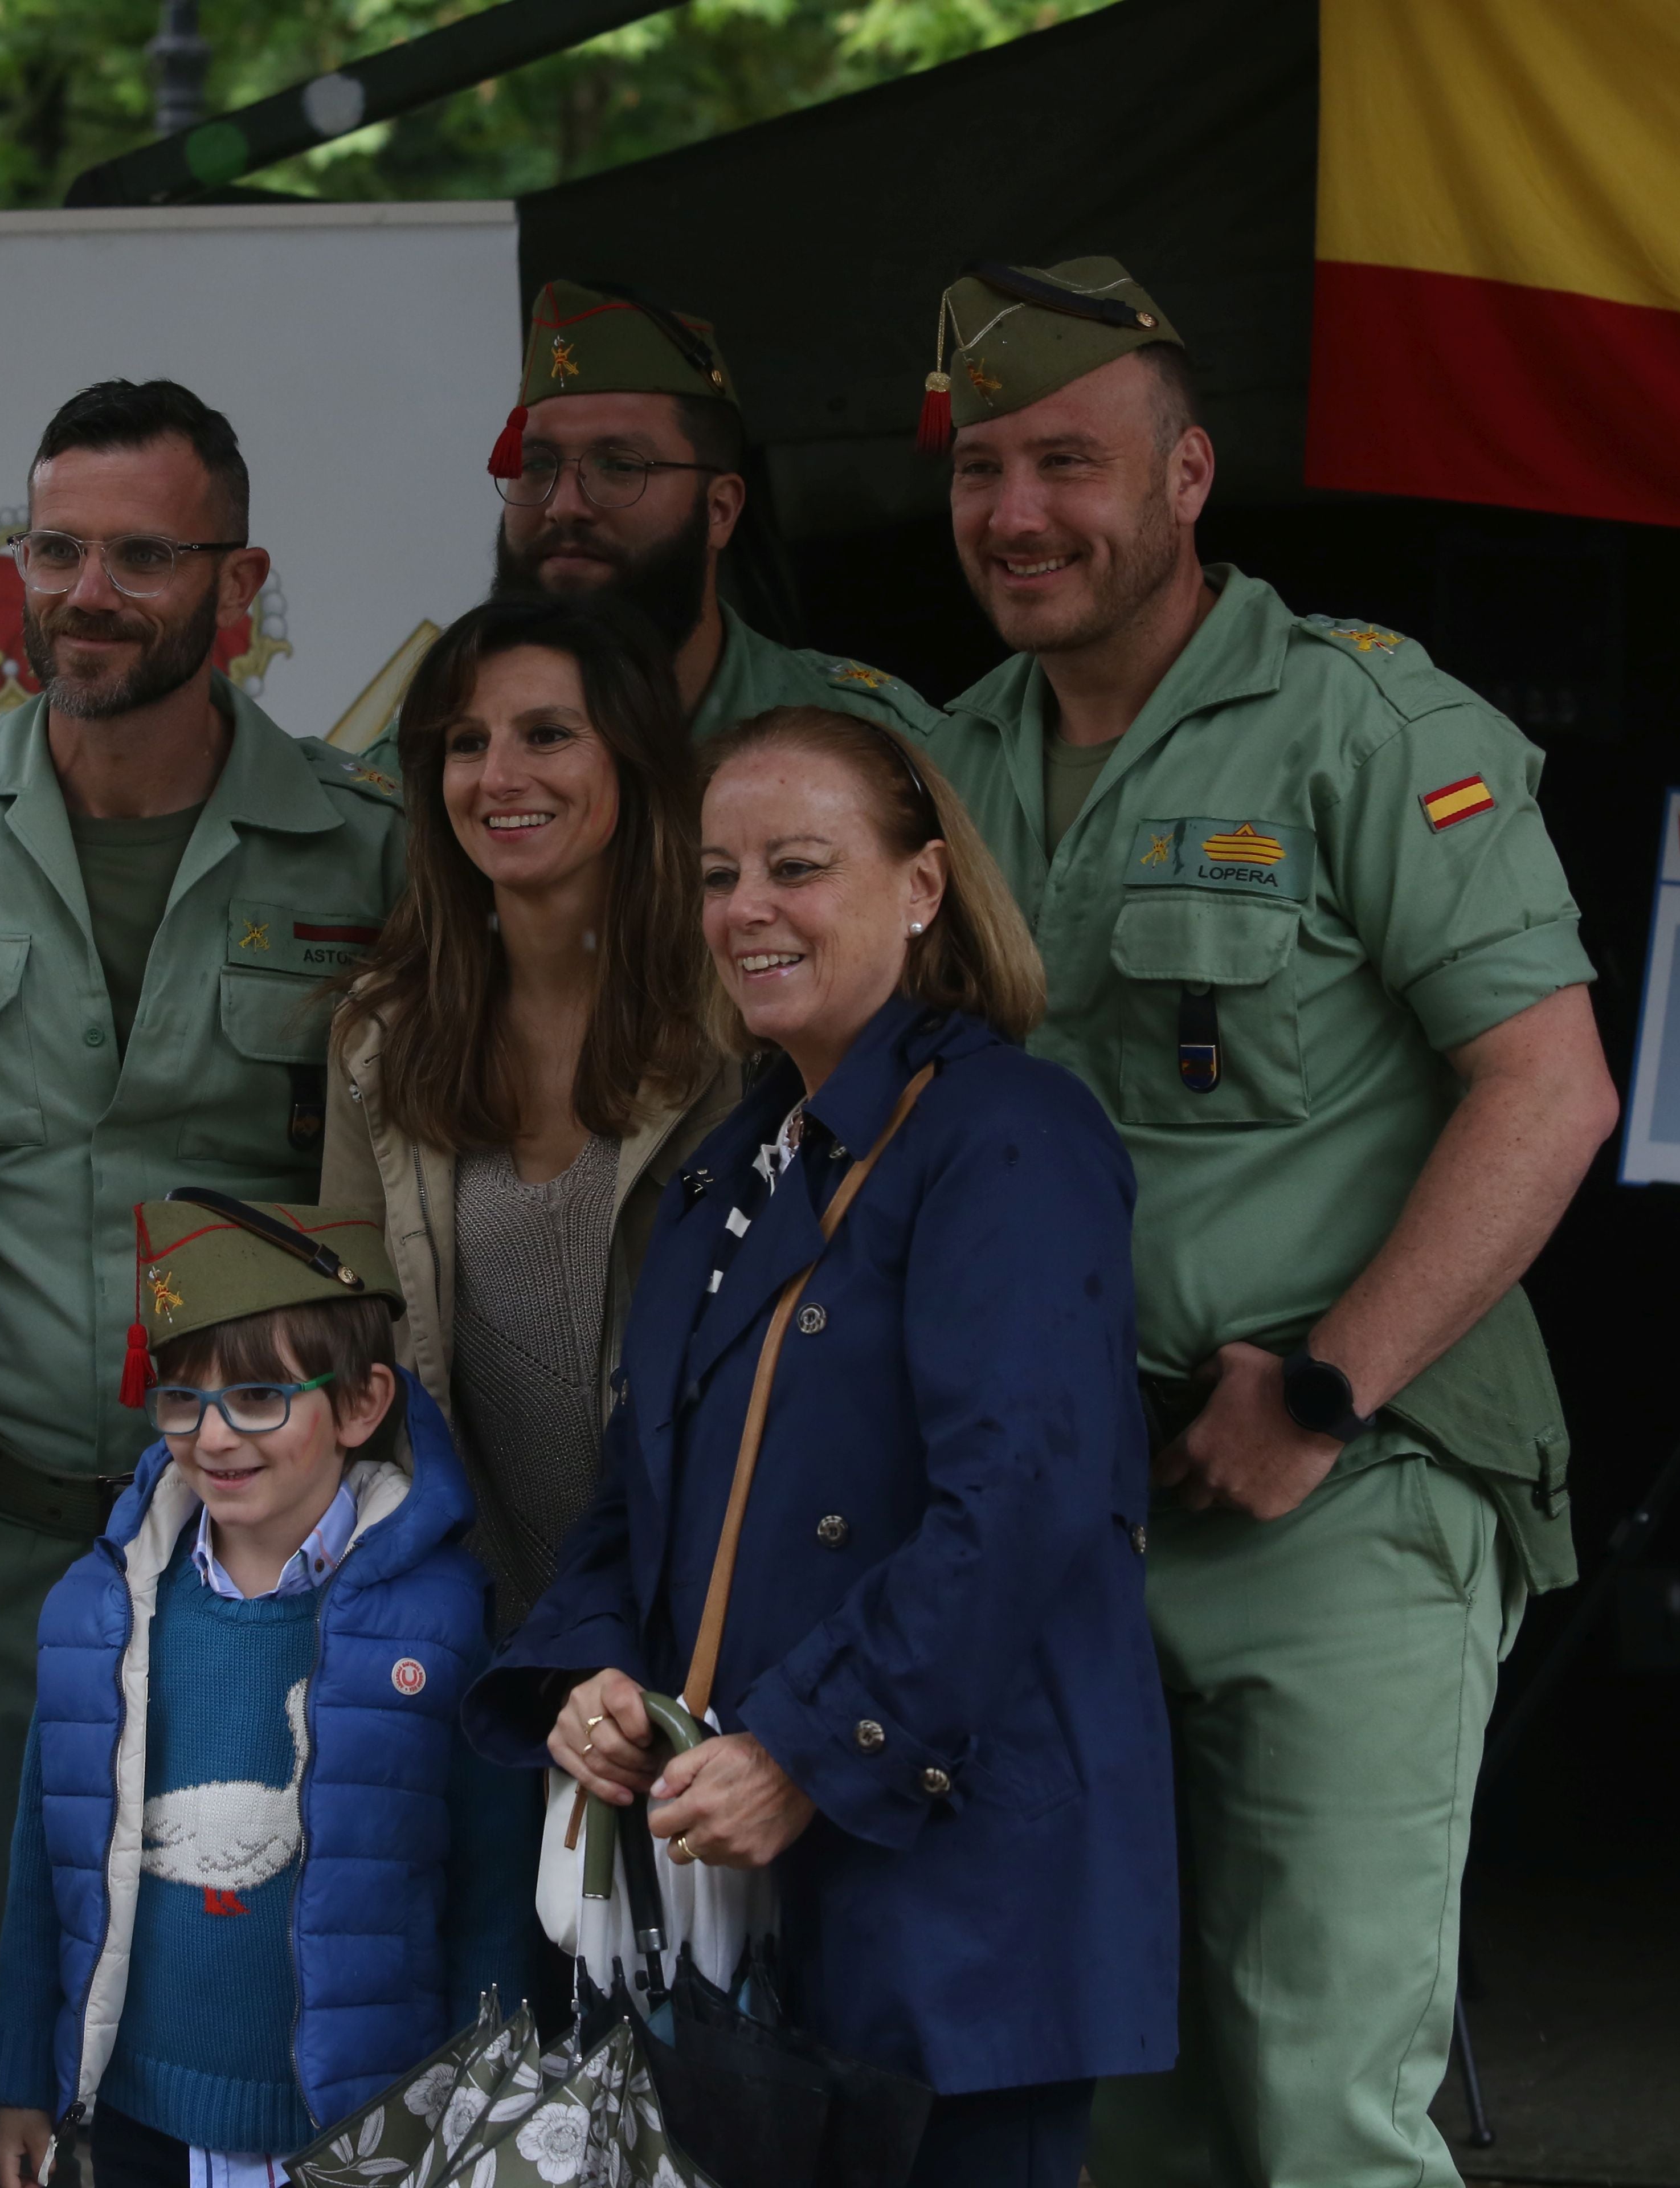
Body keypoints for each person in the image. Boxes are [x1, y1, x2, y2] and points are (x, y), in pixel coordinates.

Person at [912, 257, 1625, 2188]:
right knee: (1121, 2089)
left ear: (1192, 476)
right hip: (1064, 1511)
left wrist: (1322, 1393)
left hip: (1343, 1496)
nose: (1022, 513)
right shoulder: (955, 764)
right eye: (985, 467)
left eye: (1073, 460)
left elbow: (1549, 1090)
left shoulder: (1366, 729)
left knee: (1321, 2105)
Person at [470, 705, 1178, 2183]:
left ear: (922, 889)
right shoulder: (736, 1156)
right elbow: (638, 1493)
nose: (747, 912)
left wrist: (806, 1744)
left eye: (797, 866)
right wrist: (584, 1671)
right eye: (720, 877)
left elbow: (1023, 1501)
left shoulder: (1011, 1134)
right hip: (751, 1888)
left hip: (955, 1893)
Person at [0, 380, 405, 2028]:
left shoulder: (368, 853)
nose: (85, 594)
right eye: (55, 550)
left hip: (270, 1550)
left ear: (242, 582)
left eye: (144, 555)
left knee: (244, 2014)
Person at [0, 1197, 531, 2188]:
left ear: (361, 1406)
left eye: (262, 1396)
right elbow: (44, 1857)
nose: (216, 1435)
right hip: (140, 2121)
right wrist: (21, 2075)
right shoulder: (99, 1612)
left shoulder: (441, 1623)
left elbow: (491, 1893)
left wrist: (480, 2098)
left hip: (367, 2129)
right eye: (184, 1398)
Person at [320, 592, 738, 1632]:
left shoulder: (744, 1015)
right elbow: (350, 1344)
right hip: (471, 1641)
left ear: (635, 757)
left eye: (547, 734)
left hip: (707, 1630)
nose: (500, 777)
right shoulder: (380, 1034)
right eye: (466, 744)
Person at [358, 279, 939, 785]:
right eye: (535, 465)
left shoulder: (869, 741)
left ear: (720, 511)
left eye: (620, 467)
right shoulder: (430, 754)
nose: (565, 506)